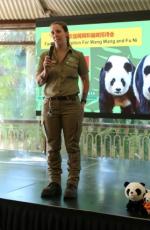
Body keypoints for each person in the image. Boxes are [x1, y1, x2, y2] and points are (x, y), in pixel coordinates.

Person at [36, 21, 89, 199]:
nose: (55, 35)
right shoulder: (45, 55)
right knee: (52, 146)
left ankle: (72, 183)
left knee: (72, 146)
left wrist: (83, 102)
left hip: (71, 105)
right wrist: (45, 70)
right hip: (50, 105)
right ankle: (54, 183)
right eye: (52, 32)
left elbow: (85, 80)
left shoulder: (78, 56)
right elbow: (39, 81)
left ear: (66, 33)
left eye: (58, 31)